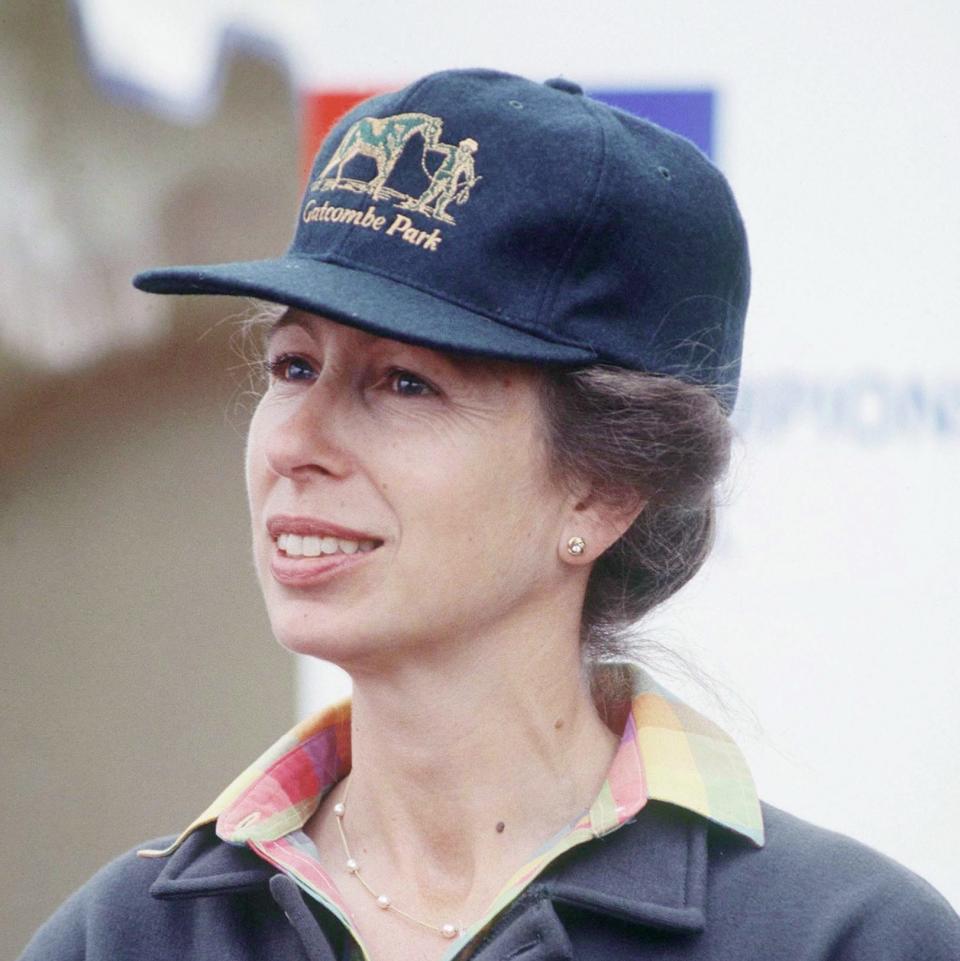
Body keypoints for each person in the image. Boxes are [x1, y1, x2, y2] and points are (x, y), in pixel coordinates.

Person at [19, 68, 959, 961]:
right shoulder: (128, 935)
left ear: (604, 487)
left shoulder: (844, 939)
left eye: (403, 382)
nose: (295, 441)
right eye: (293, 365)